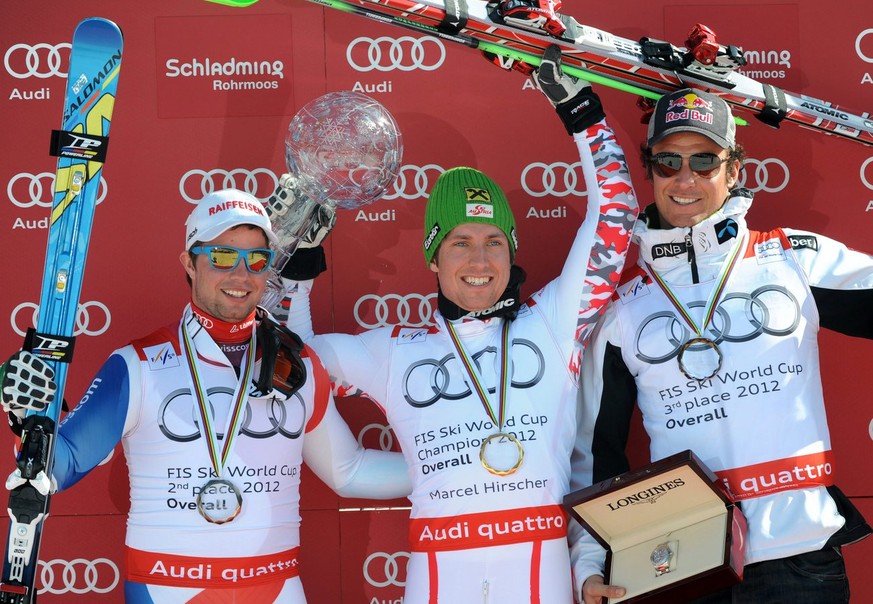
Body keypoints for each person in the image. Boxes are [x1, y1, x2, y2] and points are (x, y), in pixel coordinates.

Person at [279, 47, 639, 603]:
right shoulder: (395, 351)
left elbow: (613, 215)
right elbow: (290, 366)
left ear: (511, 250)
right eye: (460, 243)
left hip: (539, 577)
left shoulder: (552, 322)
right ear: (433, 257)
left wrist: (582, 112)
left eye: (495, 241)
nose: (480, 259)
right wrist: (296, 272)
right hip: (438, 580)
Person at [0, 188, 411, 603]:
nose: (241, 274)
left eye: (256, 260)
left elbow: (350, 471)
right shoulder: (137, 365)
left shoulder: (296, 366)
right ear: (190, 263)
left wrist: (459, 473)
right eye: (222, 256)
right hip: (166, 590)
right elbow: (63, 463)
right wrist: (28, 416)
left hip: (276, 588)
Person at [573, 87, 873, 603]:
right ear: (650, 171)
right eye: (668, 161)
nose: (685, 178)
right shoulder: (622, 311)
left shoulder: (793, 260)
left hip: (799, 558)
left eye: (704, 160)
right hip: (687, 564)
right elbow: (597, 455)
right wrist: (588, 564)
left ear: (733, 169)